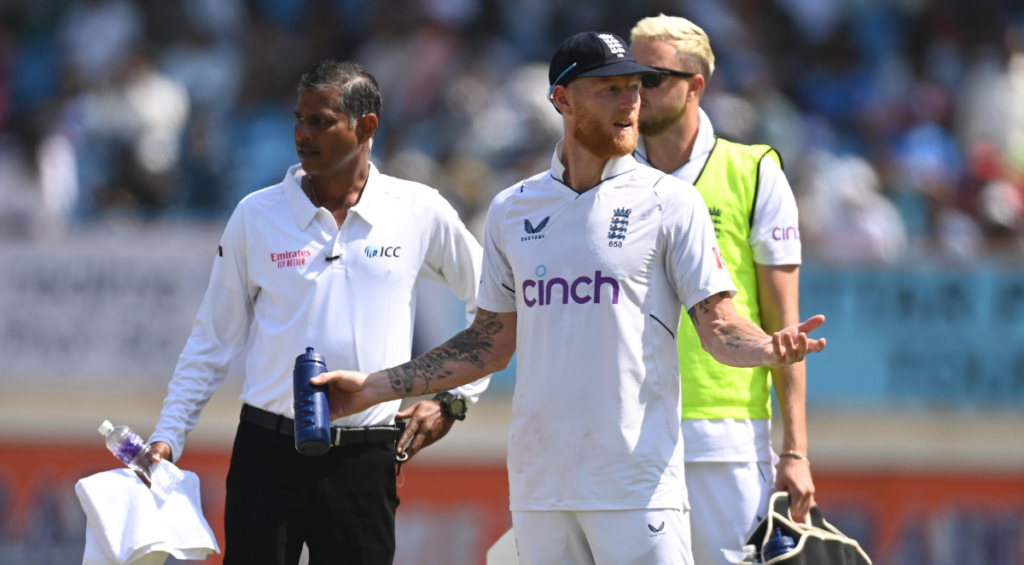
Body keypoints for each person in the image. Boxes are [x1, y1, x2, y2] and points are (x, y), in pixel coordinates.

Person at [312, 33, 826, 565]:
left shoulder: (672, 203)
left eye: (636, 88)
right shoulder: (513, 208)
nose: (632, 102)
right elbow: (489, 343)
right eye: (610, 89)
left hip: (636, 488)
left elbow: (719, 326)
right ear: (562, 99)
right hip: (541, 489)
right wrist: (373, 387)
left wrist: (768, 348)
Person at [146, 60, 488, 565]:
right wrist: (167, 436)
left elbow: (493, 305)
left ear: (366, 127)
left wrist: (453, 400)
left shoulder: (418, 209)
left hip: (366, 456)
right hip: (267, 454)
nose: (303, 134)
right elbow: (211, 342)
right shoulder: (255, 215)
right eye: (298, 119)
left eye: (321, 121)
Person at [629, 15, 815, 564]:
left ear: (696, 85)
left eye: (652, 76)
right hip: (625, 433)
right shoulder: (603, 173)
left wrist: (796, 450)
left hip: (725, 436)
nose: (635, 90)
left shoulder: (754, 172)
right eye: (626, 76)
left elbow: (787, 326)